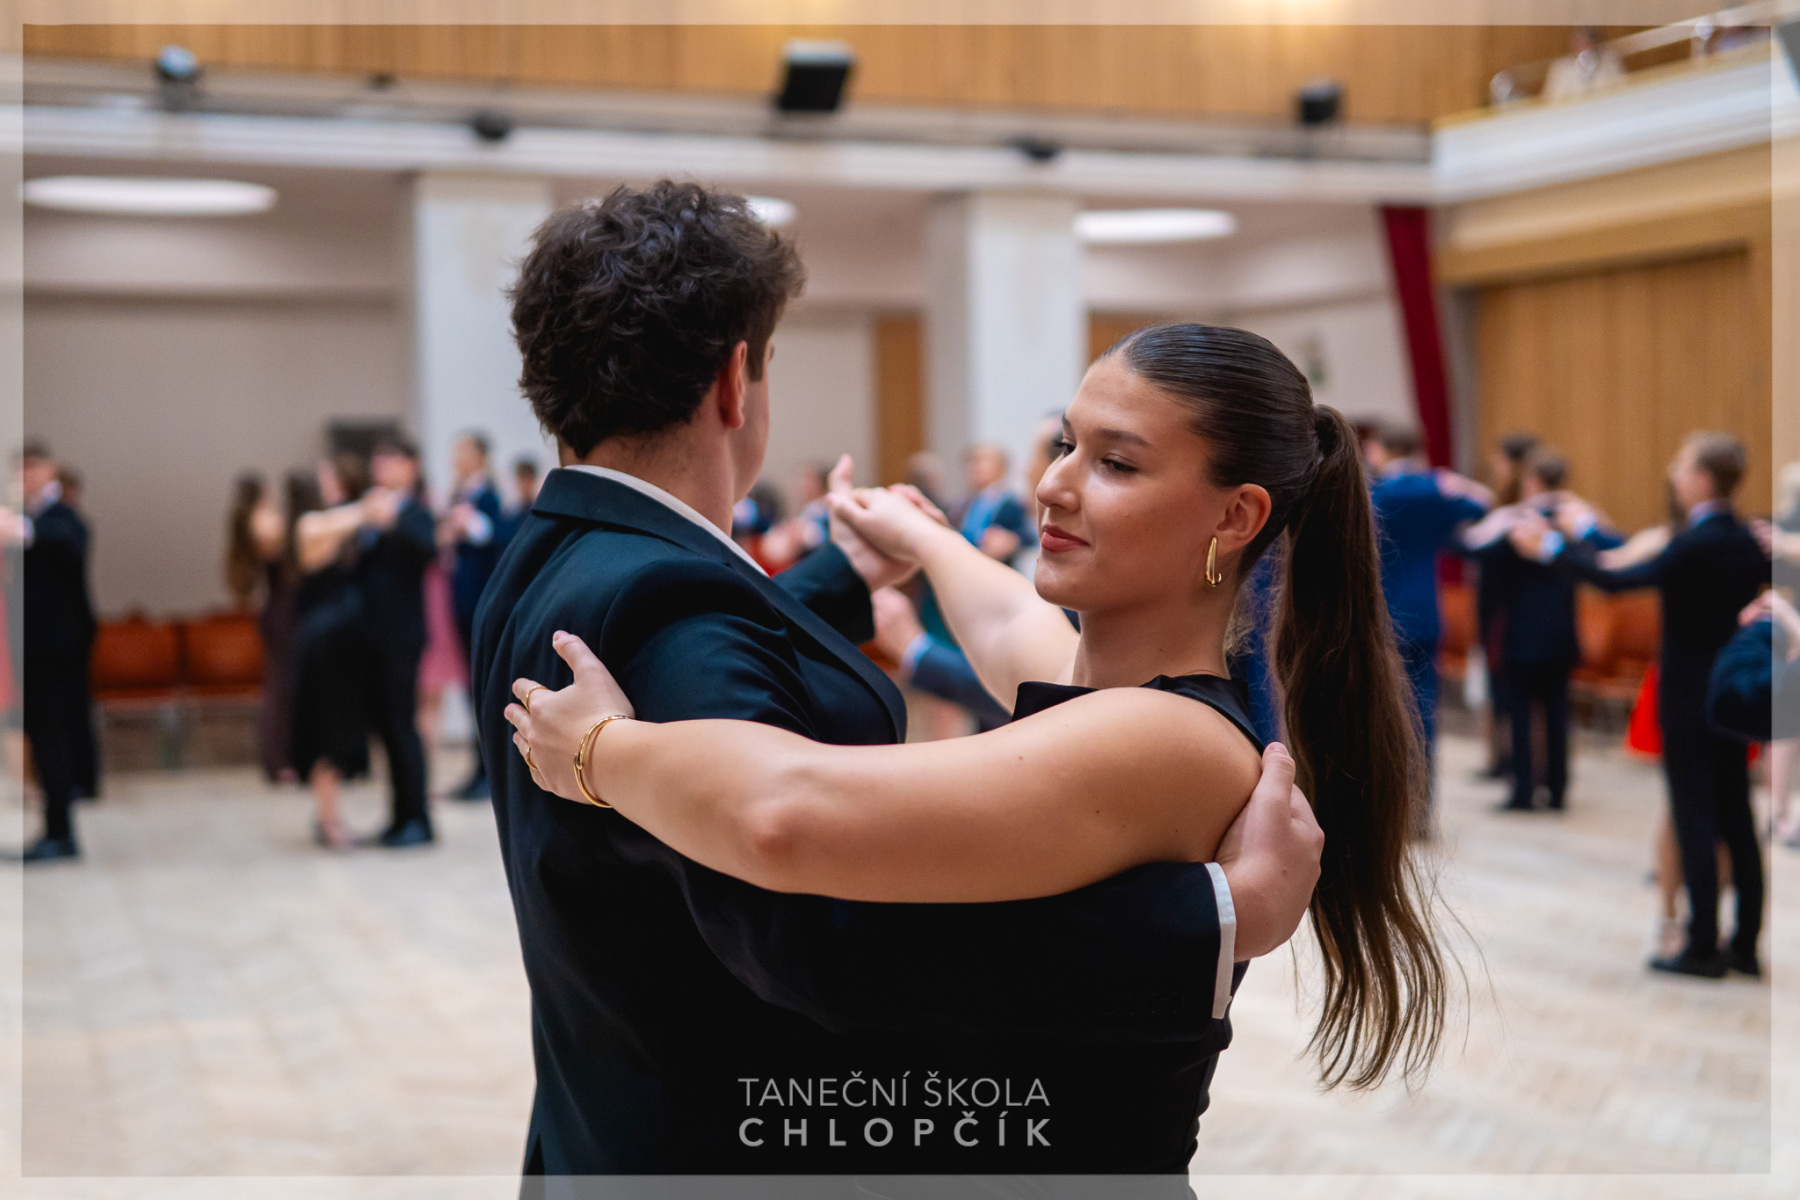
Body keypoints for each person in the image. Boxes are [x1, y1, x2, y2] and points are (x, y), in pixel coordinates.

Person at [473, 185, 1325, 1175]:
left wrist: (597, 750)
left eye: (1116, 464)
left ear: (1235, 517)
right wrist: (914, 540)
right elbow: (1007, 622)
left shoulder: (544, 558)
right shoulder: (1103, 682)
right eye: (1065, 445)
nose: (1051, 483)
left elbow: (787, 830)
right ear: (736, 382)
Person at [1534, 432, 1770, 978]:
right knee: (1737, 815)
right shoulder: (1749, 539)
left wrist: (1551, 547)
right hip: (1736, 690)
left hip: (1688, 696)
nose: (1674, 475)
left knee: (1694, 815)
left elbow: (1615, 578)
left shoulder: (1692, 544)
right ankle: (1745, 945)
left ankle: (1702, 945)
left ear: (1703, 479)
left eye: (1682, 467)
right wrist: (1587, 529)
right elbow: (1639, 555)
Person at [1466, 449, 1622, 812]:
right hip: (1561, 633)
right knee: (1557, 714)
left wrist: (1498, 521)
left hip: (1522, 633)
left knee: (1522, 714)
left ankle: (1523, 789)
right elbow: (1607, 552)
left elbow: (1475, 551)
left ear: (1531, 481)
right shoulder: (1572, 521)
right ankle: (1557, 788)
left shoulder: (1518, 522)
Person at [1364, 424, 1492, 787]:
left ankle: (1390, 789)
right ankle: (1422, 789)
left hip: (1386, 610)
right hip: (1426, 611)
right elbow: (1481, 504)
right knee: (1424, 704)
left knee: (1383, 704)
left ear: (1383, 449)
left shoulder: (1376, 493)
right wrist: (1454, 482)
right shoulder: (1434, 490)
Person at [353, 438, 438, 847]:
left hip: (403, 634)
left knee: (403, 726)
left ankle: (418, 819)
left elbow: (427, 550)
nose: (381, 466)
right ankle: (398, 816)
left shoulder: (414, 510)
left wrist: (390, 520)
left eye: (389, 459)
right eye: (378, 459)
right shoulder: (370, 509)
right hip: (373, 635)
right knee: (386, 728)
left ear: (410, 466)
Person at [17, 441, 96, 863]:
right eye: (21, 469)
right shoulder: (28, 516)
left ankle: (61, 833)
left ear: (49, 471)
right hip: (33, 648)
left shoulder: (59, 517)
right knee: (43, 737)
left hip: (56, 650)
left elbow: (68, 540)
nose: (26, 475)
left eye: (33, 467)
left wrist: (21, 531)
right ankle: (53, 827)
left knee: (55, 736)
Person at [290, 459, 372, 848]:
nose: (333, 483)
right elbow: (356, 515)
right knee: (327, 730)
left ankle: (328, 815)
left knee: (338, 729)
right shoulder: (310, 523)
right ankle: (328, 819)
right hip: (324, 643)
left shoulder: (332, 521)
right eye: (326, 478)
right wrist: (370, 505)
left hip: (339, 641)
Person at [1472, 432, 1539, 780]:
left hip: (1506, 607)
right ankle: (1503, 756)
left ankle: (1518, 760)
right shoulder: (1499, 505)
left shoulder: (1517, 512)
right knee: (1496, 688)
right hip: (1496, 603)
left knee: (1511, 690)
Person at [442, 432, 504, 801]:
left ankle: (489, 771)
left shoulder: (489, 496)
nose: (456, 458)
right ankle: (478, 767)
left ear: (479, 456)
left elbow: (495, 536)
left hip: (479, 603)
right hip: (461, 605)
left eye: (463, 451)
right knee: (469, 689)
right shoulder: (459, 494)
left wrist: (470, 524)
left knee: (483, 686)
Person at [226, 472, 298, 783]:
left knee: (282, 685)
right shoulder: (263, 522)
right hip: (281, 610)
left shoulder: (258, 520)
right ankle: (278, 760)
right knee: (280, 688)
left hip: (281, 609)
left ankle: (282, 757)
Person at [956, 442, 1036, 566]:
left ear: (1001, 467)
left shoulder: (1011, 503)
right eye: (972, 461)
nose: (974, 466)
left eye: (982, 461)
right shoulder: (965, 503)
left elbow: (1029, 537)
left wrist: (1011, 540)